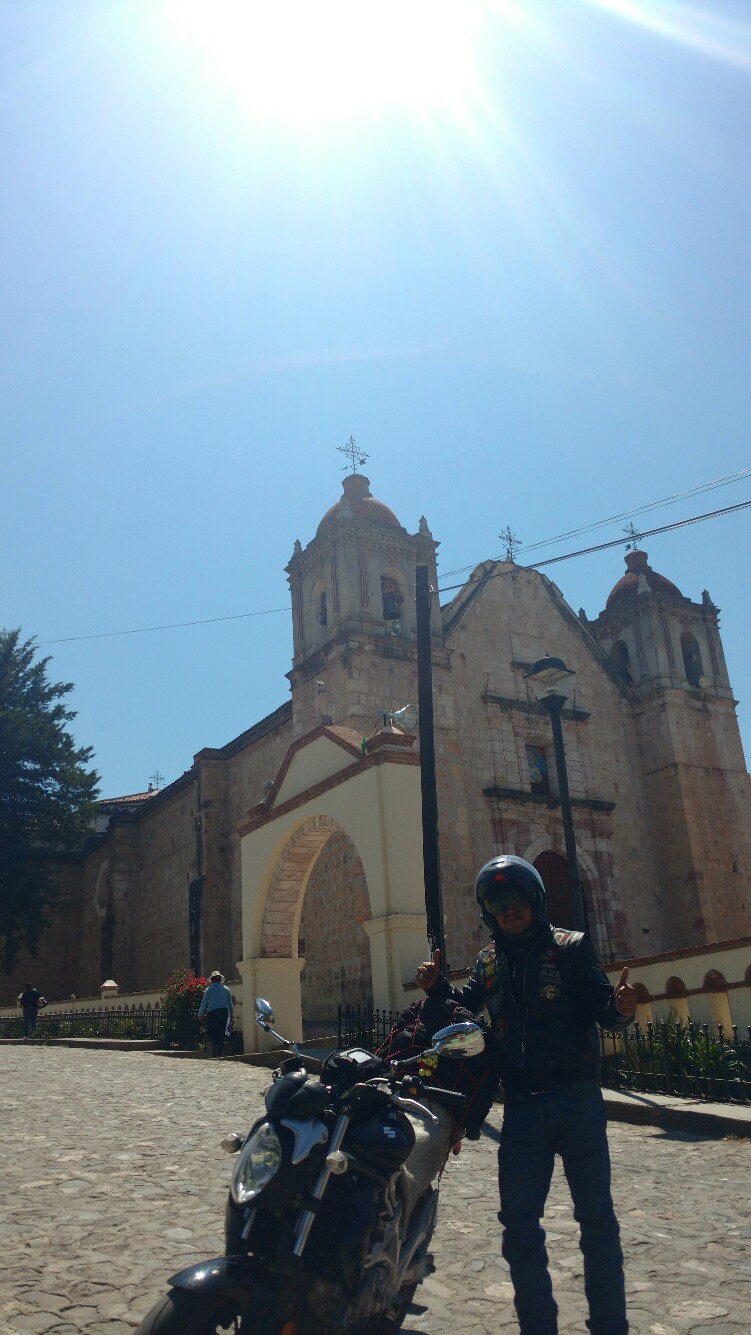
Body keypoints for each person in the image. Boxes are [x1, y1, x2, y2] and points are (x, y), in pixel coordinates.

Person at [416, 855, 638, 1335]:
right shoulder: (489, 961)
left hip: (576, 1099)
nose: (509, 910)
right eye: (498, 904)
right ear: (487, 913)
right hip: (521, 1107)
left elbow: (604, 1007)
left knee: (596, 1220)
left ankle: (610, 1326)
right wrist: (437, 991)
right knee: (518, 1227)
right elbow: (466, 1007)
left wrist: (620, 1010)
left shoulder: (572, 947)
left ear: (535, 900)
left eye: (517, 900)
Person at [197, 971, 234, 1058]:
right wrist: (231, 1014)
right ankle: (219, 1051)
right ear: (220, 979)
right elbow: (230, 1003)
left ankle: (214, 1048)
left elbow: (204, 1002)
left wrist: (200, 1014)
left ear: (212, 980)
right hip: (223, 1012)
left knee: (211, 1031)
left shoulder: (209, 989)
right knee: (221, 1032)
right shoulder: (226, 989)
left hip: (212, 1013)